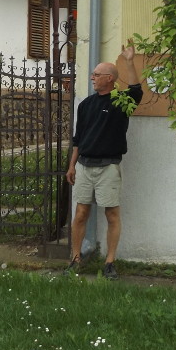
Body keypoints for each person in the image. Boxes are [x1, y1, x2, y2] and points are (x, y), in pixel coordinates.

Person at [65, 41, 142, 280]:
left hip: (108, 166)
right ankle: (75, 259)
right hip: (84, 166)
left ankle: (110, 262)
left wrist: (129, 61)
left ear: (109, 78)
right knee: (80, 213)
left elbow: (137, 91)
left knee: (112, 214)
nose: (92, 78)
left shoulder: (121, 102)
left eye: (96, 75)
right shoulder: (86, 105)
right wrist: (72, 165)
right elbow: (78, 138)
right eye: (93, 74)